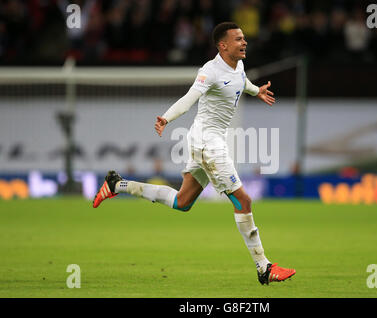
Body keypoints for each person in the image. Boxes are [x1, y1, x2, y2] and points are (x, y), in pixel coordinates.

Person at [93, 22, 296, 285]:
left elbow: (240, 81)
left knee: (182, 202)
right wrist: (166, 118)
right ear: (222, 45)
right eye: (238, 39)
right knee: (243, 201)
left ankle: (117, 184)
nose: (244, 42)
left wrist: (257, 91)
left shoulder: (239, 66)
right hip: (207, 144)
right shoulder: (209, 71)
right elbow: (189, 98)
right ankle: (264, 268)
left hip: (206, 141)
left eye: (244, 38)